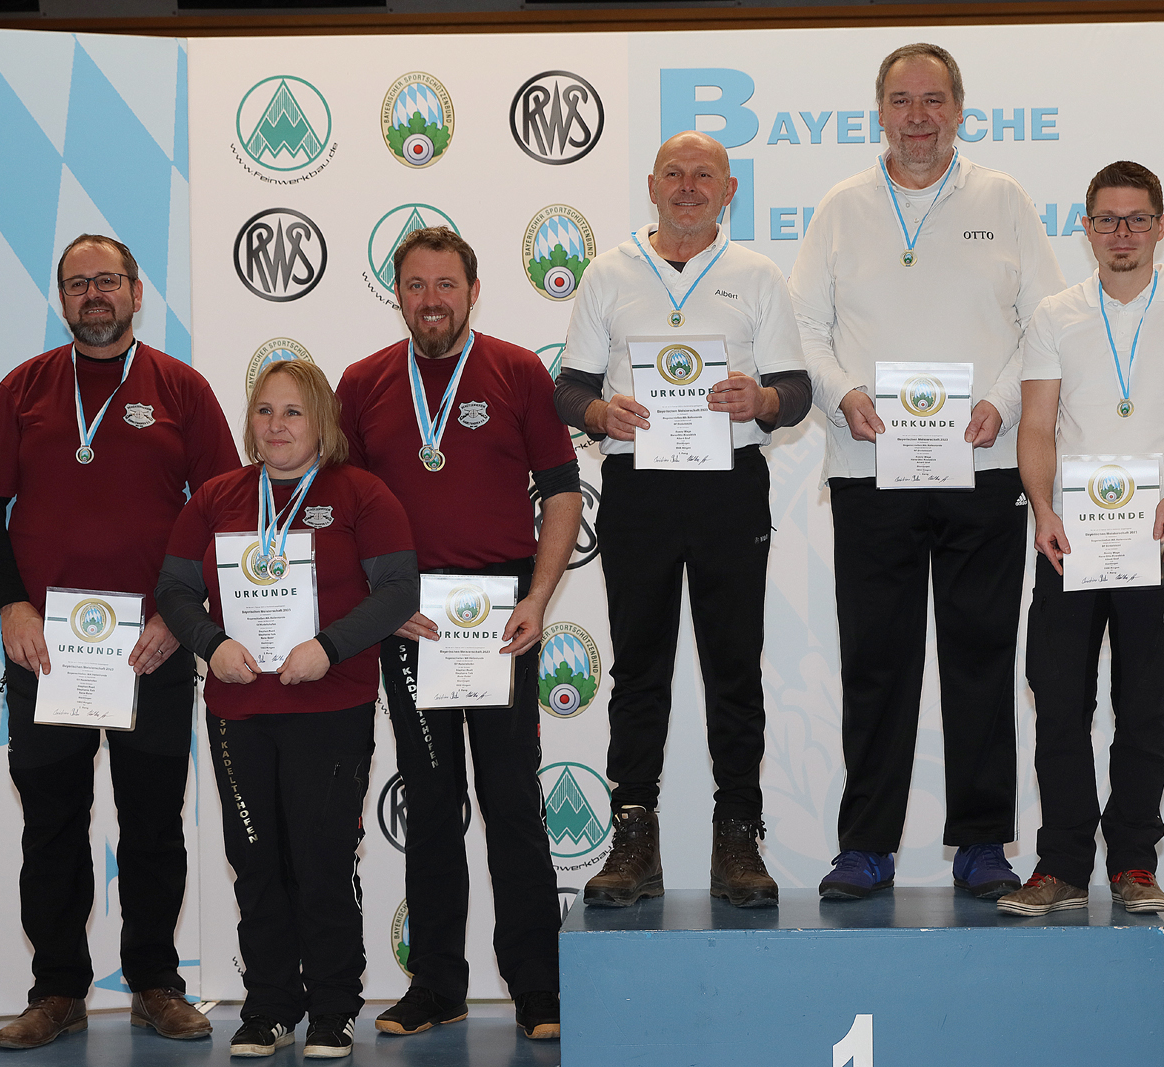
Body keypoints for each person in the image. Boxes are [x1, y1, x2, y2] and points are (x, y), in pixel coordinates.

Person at [791, 43, 1066, 900]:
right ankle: (866, 845)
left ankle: (982, 842)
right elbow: (804, 328)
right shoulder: (841, 207)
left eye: (934, 99)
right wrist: (844, 395)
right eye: (903, 100)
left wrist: (1000, 403)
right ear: (880, 112)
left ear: (959, 110)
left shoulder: (1003, 199)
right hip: (869, 464)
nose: (919, 116)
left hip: (982, 463)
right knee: (876, 662)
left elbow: (1047, 323)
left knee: (980, 656)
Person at [0, 234, 240, 1050]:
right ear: (61, 299)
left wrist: (178, 615)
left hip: (151, 650)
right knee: (52, 823)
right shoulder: (24, 388)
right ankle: (57, 990)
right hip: (46, 653)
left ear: (137, 292)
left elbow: (222, 510)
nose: (94, 294)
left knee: (152, 823)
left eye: (108, 280)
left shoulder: (181, 389)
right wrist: (13, 606)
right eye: (78, 283)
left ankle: (155, 983)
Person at [554, 131, 811, 909]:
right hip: (640, 487)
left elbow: (797, 391)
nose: (689, 186)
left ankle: (738, 834)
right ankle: (633, 836)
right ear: (652, 185)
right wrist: (599, 412)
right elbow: (567, 388)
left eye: (705, 175)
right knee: (638, 668)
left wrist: (761, 400)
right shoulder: (609, 272)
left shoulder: (757, 275)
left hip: (730, 485)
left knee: (734, 666)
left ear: (729, 190)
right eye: (675, 173)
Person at [336, 226, 580, 1042]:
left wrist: (538, 596)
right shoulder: (363, 382)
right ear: (397, 294)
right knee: (431, 799)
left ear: (474, 292)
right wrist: (380, 597)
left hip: (501, 612)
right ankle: (436, 984)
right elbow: (341, 508)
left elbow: (562, 491)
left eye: (446, 284)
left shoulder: (516, 371)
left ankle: (539, 987)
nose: (431, 299)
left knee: (512, 796)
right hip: (412, 617)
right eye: (416, 285)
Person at [154, 360, 418, 1057]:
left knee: (323, 860)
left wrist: (328, 647)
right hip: (239, 711)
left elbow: (398, 590)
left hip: (331, 706)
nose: (277, 425)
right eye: (265, 411)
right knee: (255, 862)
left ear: (322, 420)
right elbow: (173, 590)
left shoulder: (361, 494)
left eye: (293, 411)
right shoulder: (217, 497)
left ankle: (332, 1007)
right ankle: (269, 1005)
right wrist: (211, 644)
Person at [997, 161, 1164, 916]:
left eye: (1136, 219)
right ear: (1087, 228)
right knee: (1059, 701)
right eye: (1107, 219)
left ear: (1162, 226)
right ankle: (1061, 865)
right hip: (1070, 539)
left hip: (1161, 538)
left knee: (1141, 707)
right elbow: (1036, 426)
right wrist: (1043, 509)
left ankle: (1134, 862)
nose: (1121, 233)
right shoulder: (1055, 315)